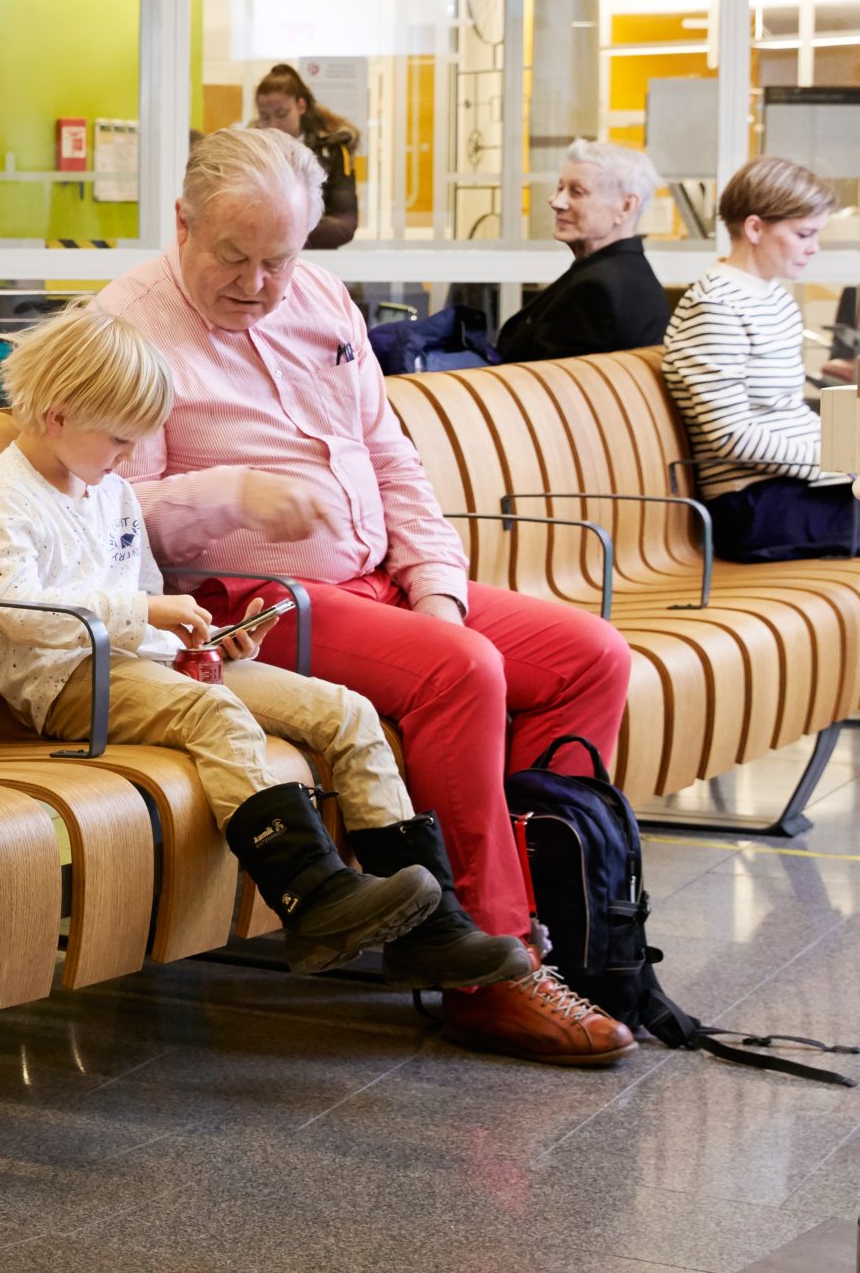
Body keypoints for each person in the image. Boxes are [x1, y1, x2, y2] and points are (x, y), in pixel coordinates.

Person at [98, 124, 636, 1065]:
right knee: (461, 673)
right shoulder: (127, 328)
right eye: (236, 256)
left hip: (376, 581)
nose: (262, 285)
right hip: (246, 609)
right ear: (181, 222)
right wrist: (223, 493)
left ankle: (552, 918)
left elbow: (390, 456)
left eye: (281, 257)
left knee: (590, 655)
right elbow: (104, 517)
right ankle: (489, 969)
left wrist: (436, 588)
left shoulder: (320, 297)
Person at [0, 308, 529, 987]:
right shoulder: (2, 501)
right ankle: (313, 899)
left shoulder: (106, 492)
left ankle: (432, 930)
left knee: (348, 715)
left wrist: (216, 645)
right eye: (117, 439)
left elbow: (143, 602)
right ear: (56, 416)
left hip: (144, 665)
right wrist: (147, 613)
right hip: (70, 683)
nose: (127, 459)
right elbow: (19, 614)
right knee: (216, 717)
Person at [663, 155, 857, 562]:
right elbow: (730, 437)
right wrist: (837, 465)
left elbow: (786, 411)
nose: (813, 249)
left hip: (790, 488)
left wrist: (848, 455)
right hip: (750, 503)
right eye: (804, 234)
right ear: (755, 228)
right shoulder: (715, 307)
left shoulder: (772, 298)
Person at [496, 140, 672, 363]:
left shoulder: (597, 289)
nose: (556, 201)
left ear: (626, 207)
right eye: (560, 188)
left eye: (577, 192)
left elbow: (552, 387)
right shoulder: (626, 273)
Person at [252, 63, 362, 250]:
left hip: (316, 258)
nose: (273, 124)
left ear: (301, 106)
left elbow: (345, 223)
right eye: (265, 117)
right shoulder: (251, 152)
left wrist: (286, 234)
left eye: (281, 114)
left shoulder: (332, 149)